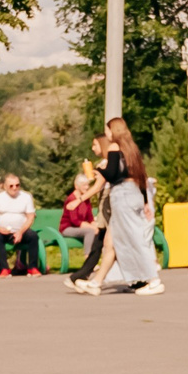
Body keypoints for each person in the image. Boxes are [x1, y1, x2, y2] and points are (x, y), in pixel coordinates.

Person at [71, 119, 161, 296]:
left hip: (122, 195)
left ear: (113, 130)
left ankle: (153, 279)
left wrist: (99, 171)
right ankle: (96, 282)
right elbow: (141, 174)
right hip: (134, 192)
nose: (107, 134)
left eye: (108, 130)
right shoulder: (132, 148)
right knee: (111, 243)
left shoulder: (114, 147)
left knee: (134, 239)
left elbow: (113, 174)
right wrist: (144, 200)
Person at [0, 174, 41, 275]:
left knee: (33, 236)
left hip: (21, 230)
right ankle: (4, 269)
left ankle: (32, 267)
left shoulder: (26, 197)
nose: (14, 188)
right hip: (3, 231)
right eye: (11, 186)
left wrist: (20, 232)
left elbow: (30, 217)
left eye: (17, 185)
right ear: (5, 186)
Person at [64, 162, 108, 283]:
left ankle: (90, 267)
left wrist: (94, 224)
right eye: (84, 185)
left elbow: (89, 217)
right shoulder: (71, 199)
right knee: (90, 231)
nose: (87, 188)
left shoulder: (86, 198)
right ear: (77, 185)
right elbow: (74, 221)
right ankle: (88, 258)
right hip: (68, 228)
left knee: (96, 230)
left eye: (88, 185)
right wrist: (92, 227)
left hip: (82, 226)